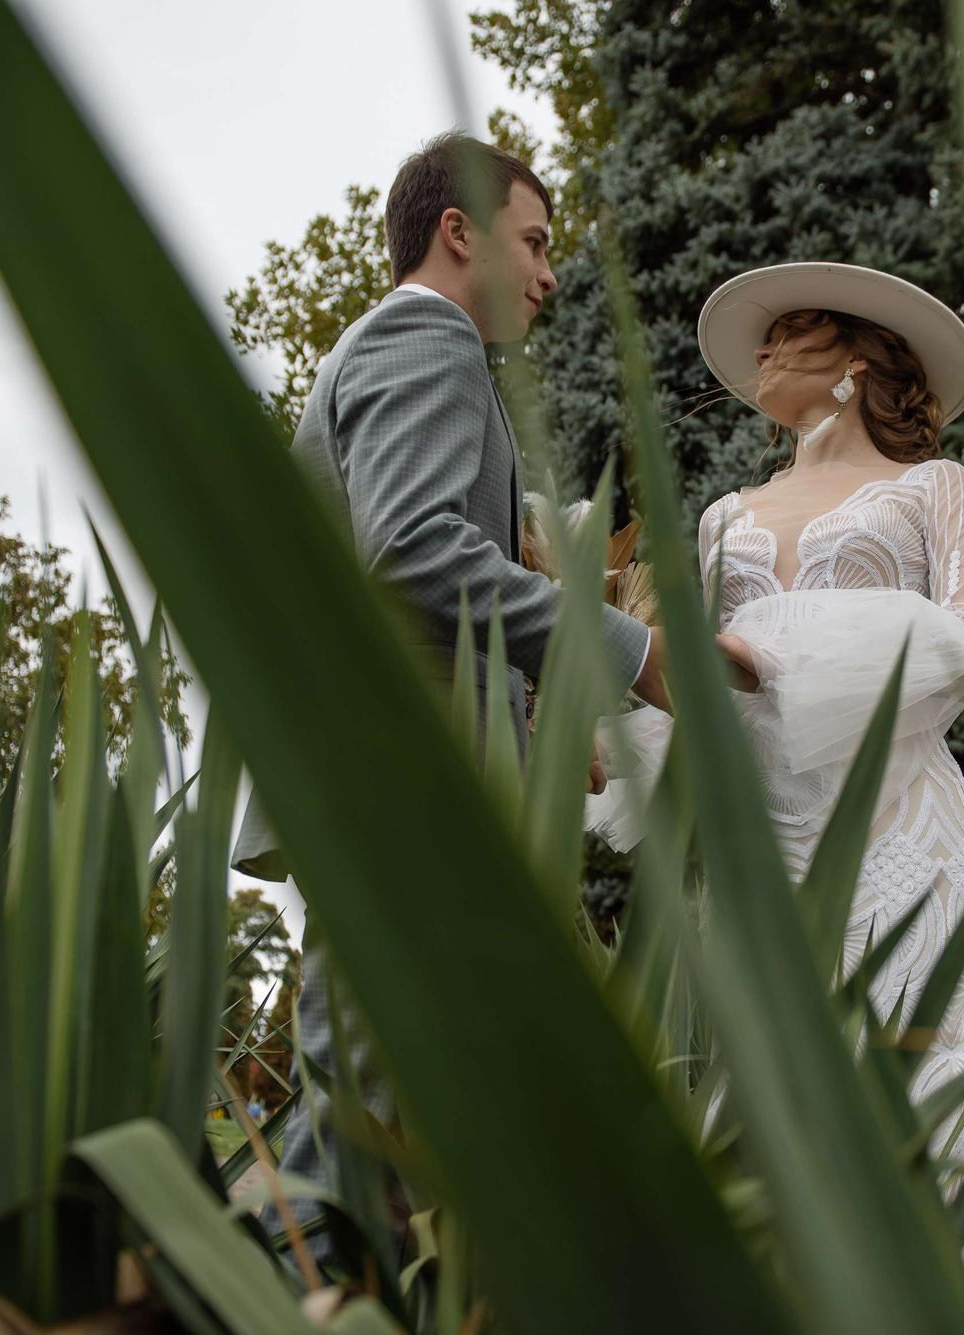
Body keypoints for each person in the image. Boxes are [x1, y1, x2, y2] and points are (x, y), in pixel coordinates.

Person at [230, 131, 742, 1264]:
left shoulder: (389, 352)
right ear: (458, 232)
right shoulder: (424, 338)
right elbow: (410, 550)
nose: (551, 273)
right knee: (344, 1134)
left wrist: (545, 729)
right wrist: (632, 654)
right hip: (408, 778)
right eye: (536, 241)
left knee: (388, 1100)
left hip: (401, 764)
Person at [587, 261, 964, 1295]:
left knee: (929, 1063)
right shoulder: (723, 517)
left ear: (860, 362)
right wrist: (616, 740)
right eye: (766, 336)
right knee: (766, 1081)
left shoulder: (932, 488)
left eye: (793, 332)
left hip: (904, 831)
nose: (765, 351)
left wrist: (778, 660)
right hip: (761, 837)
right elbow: (698, 687)